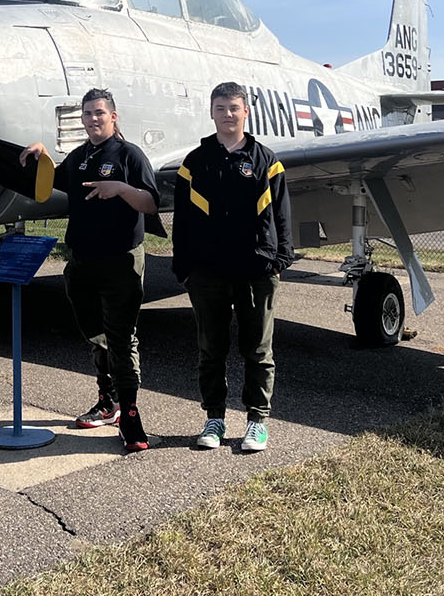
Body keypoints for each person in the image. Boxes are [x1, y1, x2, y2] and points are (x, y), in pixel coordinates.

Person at [20, 87, 160, 453]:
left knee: (121, 338)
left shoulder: (130, 155)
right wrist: (42, 155)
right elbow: (55, 180)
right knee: (96, 335)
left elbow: (150, 203)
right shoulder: (79, 157)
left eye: (99, 113)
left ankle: (130, 415)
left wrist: (120, 188)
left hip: (121, 261)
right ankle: (107, 400)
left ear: (113, 116)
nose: (93, 119)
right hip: (82, 261)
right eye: (87, 113)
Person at [172, 81, 293, 452]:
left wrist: (280, 259)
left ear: (246, 112)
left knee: (258, 351)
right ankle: (214, 419)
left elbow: (282, 214)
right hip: (207, 272)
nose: (228, 114)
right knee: (211, 350)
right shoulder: (194, 162)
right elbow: (182, 220)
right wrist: (184, 268)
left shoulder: (266, 160)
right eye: (221, 108)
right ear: (211, 112)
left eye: (234, 107)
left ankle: (257, 421)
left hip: (257, 270)